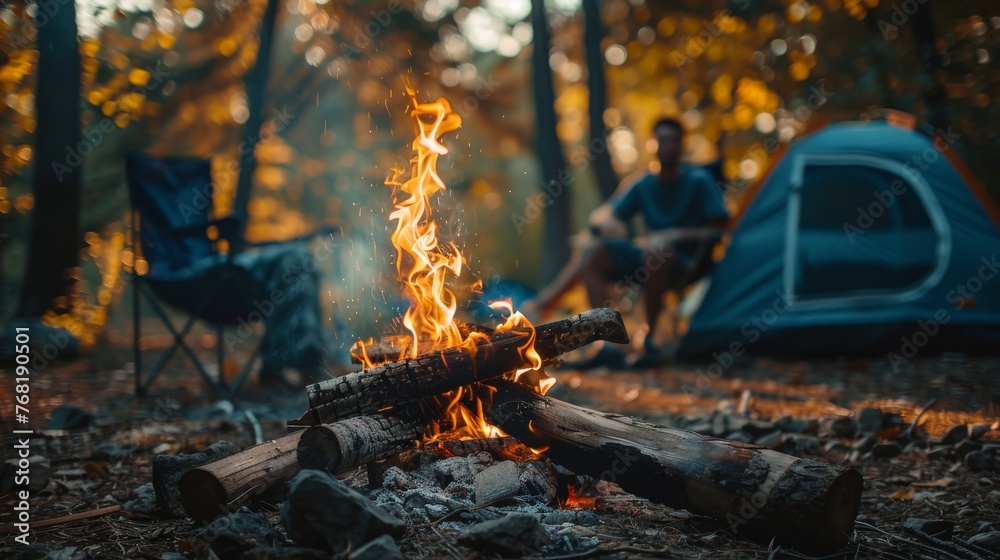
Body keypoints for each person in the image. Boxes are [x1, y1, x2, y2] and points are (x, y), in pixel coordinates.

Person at [525, 117, 728, 368]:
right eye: (662, 140)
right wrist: (609, 223)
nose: (668, 146)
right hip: (645, 255)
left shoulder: (699, 181)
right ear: (652, 144)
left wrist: (674, 235)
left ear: (681, 146)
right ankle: (605, 339)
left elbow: (719, 231)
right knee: (590, 248)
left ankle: (649, 341)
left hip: (687, 262)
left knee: (657, 249)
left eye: (674, 141)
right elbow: (602, 214)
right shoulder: (643, 182)